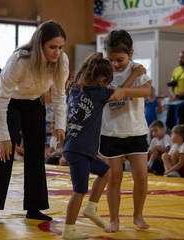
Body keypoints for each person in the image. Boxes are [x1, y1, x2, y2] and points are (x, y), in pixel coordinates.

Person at [0, 20, 69, 224]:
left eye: (60, 47)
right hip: (11, 104)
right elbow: (0, 99)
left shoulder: (61, 60)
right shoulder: (19, 60)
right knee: (4, 152)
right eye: (52, 47)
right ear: (40, 44)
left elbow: (60, 94)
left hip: (35, 103)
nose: (57, 52)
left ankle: (34, 207)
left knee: (36, 153)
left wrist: (60, 124)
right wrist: (2, 136)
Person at [62, 52, 127, 239]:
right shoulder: (99, 93)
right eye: (107, 80)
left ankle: (91, 207)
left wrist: (95, 60)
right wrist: (135, 75)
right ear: (101, 79)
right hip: (79, 149)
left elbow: (89, 67)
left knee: (106, 172)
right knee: (79, 190)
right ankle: (69, 229)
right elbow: (120, 93)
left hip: (78, 148)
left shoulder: (76, 88)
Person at [99, 30, 151, 232]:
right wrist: (125, 84)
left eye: (120, 59)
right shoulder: (104, 72)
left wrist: (127, 87)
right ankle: (114, 219)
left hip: (136, 131)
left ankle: (138, 215)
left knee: (141, 177)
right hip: (111, 132)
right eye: (111, 59)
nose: (115, 64)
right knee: (114, 178)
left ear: (130, 53)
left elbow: (147, 91)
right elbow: (109, 96)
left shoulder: (138, 70)